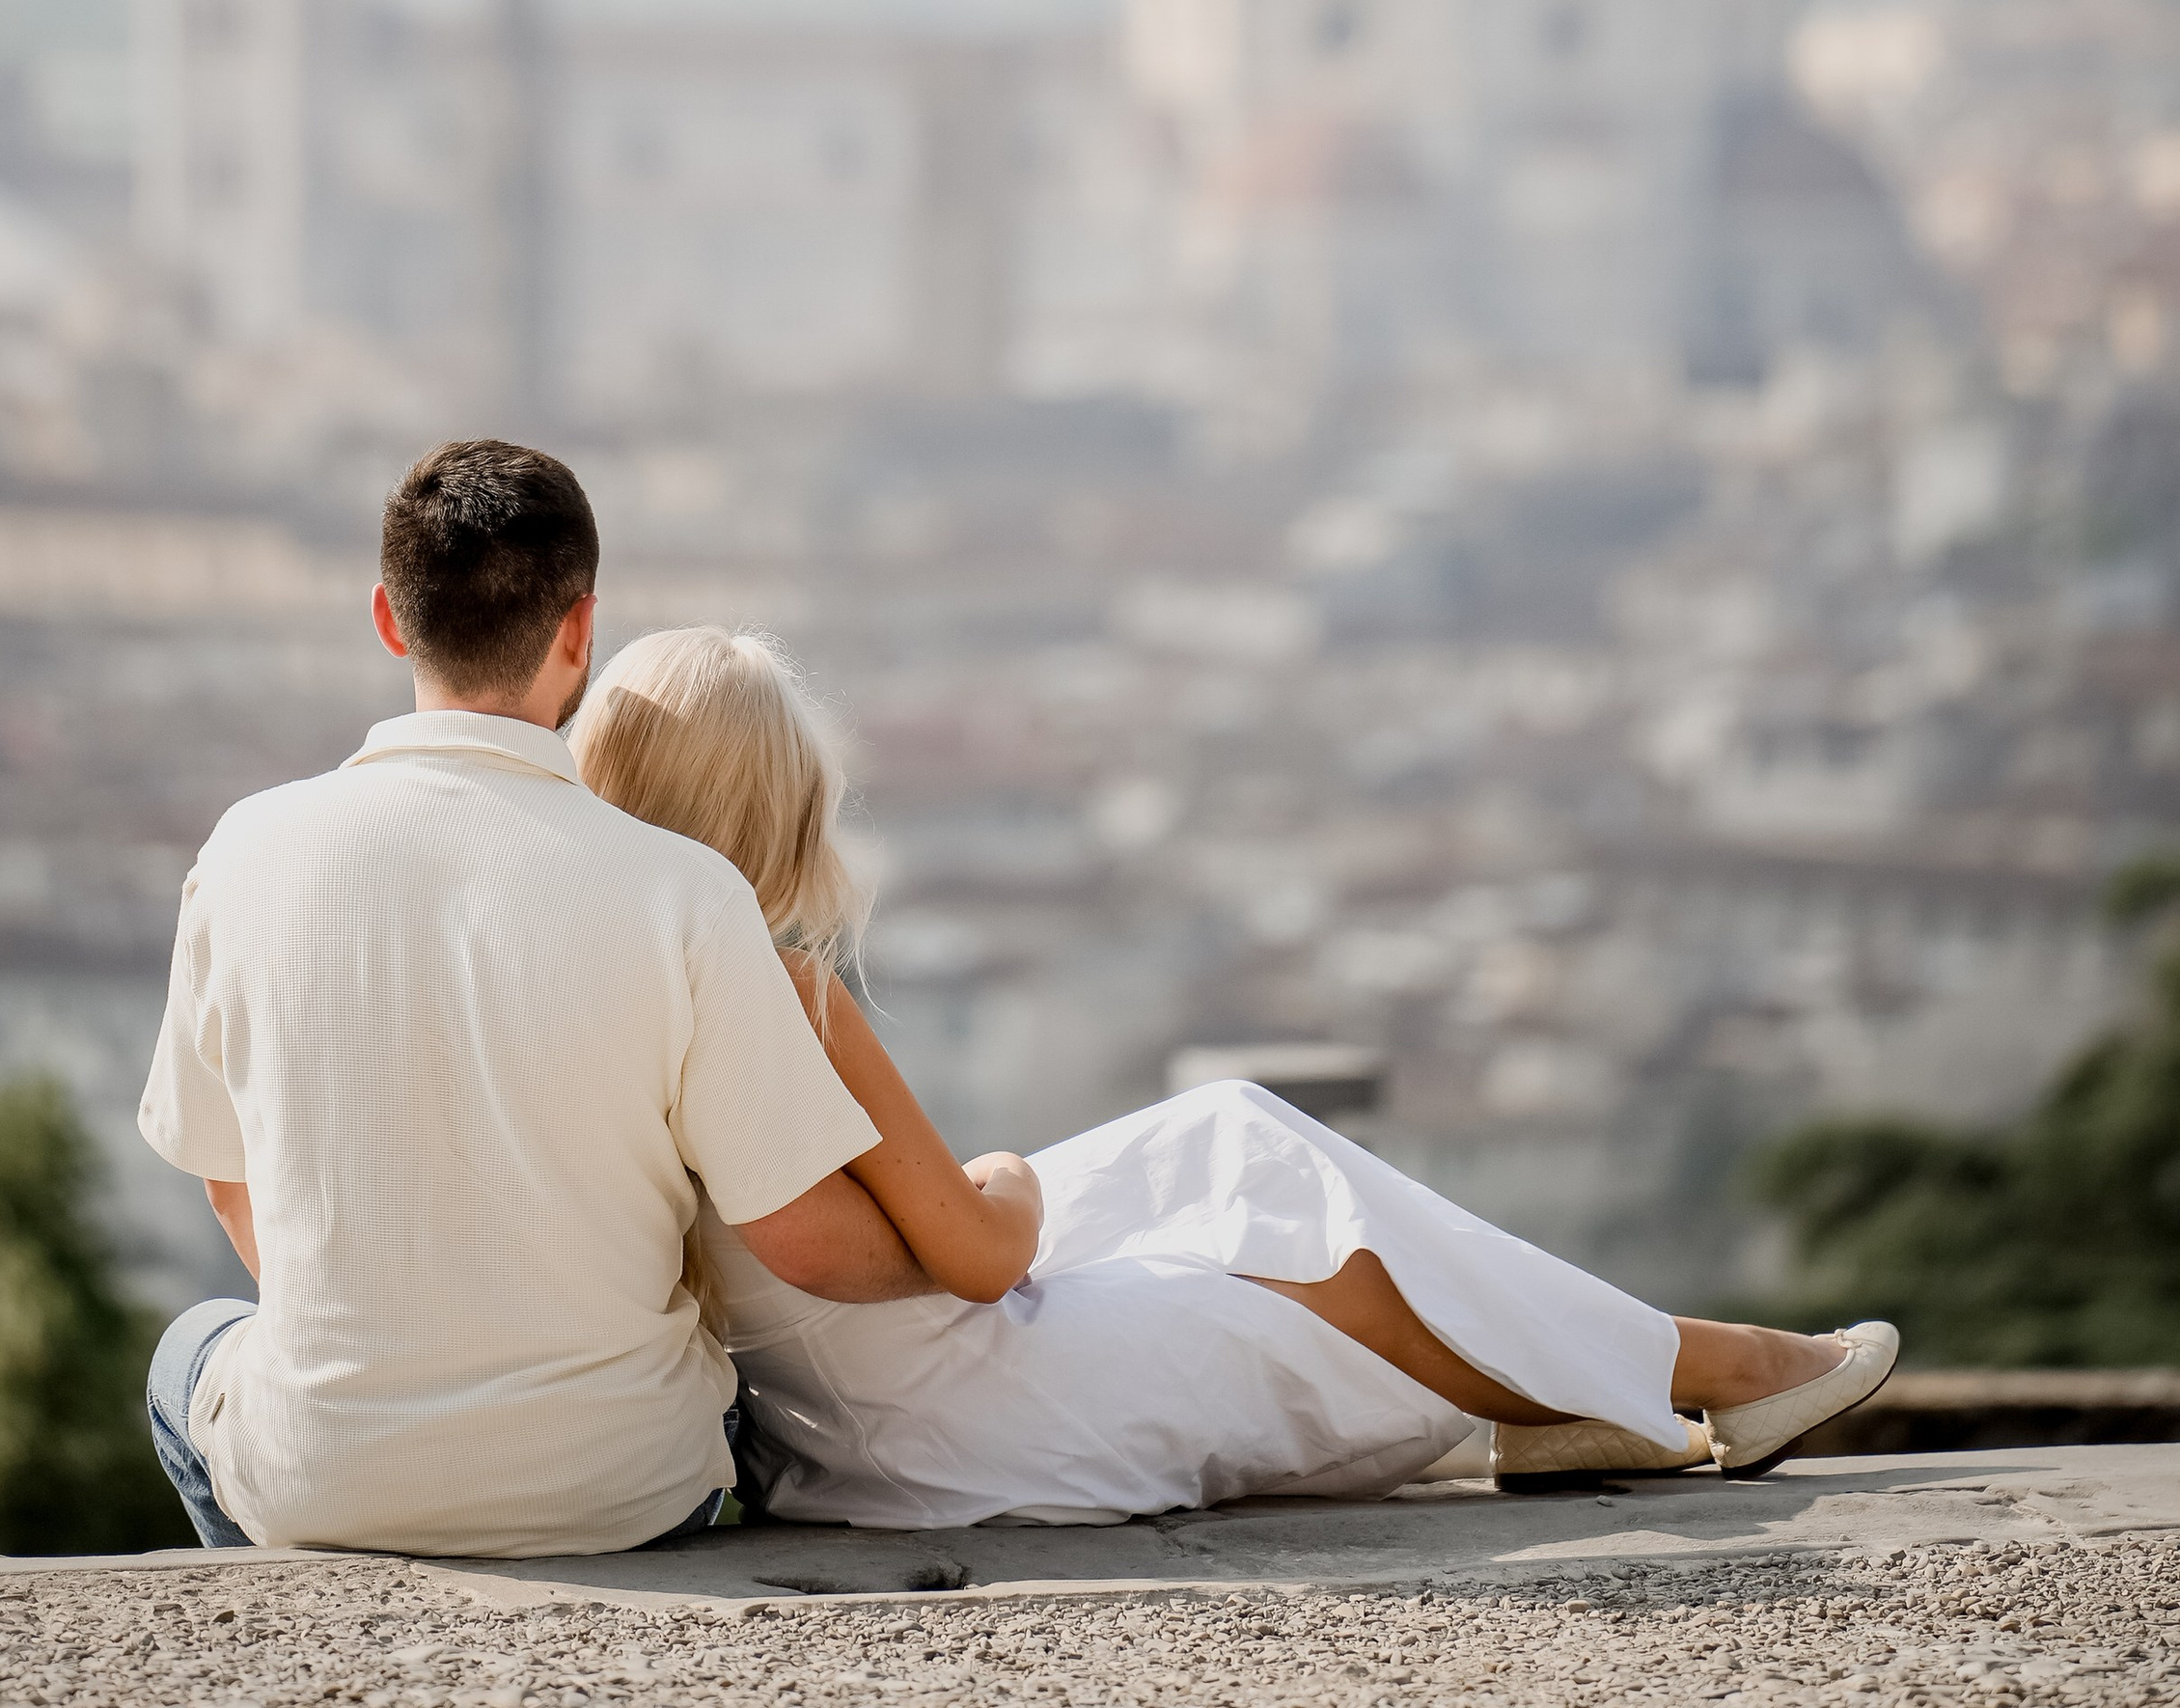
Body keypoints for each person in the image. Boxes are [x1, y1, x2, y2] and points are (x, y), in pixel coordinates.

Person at [574, 624, 1901, 1528]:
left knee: (1231, 1135)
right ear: (775, 815)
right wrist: (1008, 1176)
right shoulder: (790, 991)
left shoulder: (607, 984)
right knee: (1321, 1255)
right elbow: (981, 1253)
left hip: (842, 1441)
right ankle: (1694, 1367)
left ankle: (1599, 1385)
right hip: (967, 1425)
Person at [136, 442, 928, 1560]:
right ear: (578, 631)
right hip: (628, 1491)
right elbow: (804, 1243)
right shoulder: (685, 891)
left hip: (328, 1480)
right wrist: (946, 1252)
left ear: (389, 619)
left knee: (190, 1349)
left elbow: (230, 1187)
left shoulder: (244, 851)